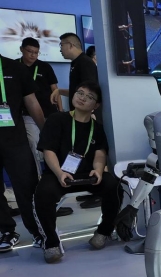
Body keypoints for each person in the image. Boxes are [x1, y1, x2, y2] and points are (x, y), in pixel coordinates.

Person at [34, 81, 120, 263]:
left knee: (113, 184)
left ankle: (103, 232)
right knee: (43, 192)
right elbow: (48, 151)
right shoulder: (57, 119)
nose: (82, 98)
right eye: (80, 93)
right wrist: (59, 173)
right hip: (58, 174)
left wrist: (98, 171)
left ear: (96, 105)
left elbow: (100, 154)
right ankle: (51, 242)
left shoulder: (96, 128)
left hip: (87, 175)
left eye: (89, 97)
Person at [0, 53, 46, 252]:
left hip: (15, 139)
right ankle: (6, 230)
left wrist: (46, 133)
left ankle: (39, 231)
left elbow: (32, 102)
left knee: (27, 186)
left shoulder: (15, 68)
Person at [18, 37, 61, 176]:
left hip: (49, 112)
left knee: (54, 144)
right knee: (33, 142)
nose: (33, 55)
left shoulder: (45, 67)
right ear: (21, 49)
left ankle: (56, 175)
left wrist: (60, 111)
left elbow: (55, 90)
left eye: (36, 52)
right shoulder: (15, 66)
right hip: (27, 114)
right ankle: (37, 178)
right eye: (29, 51)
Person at [51, 33, 98, 112]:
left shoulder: (85, 63)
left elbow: (90, 92)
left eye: (61, 45)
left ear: (70, 45)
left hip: (84, 115)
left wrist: (89, 114)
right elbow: (77, 92)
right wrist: (59, 91)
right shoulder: (76, 62)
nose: (60, 49)